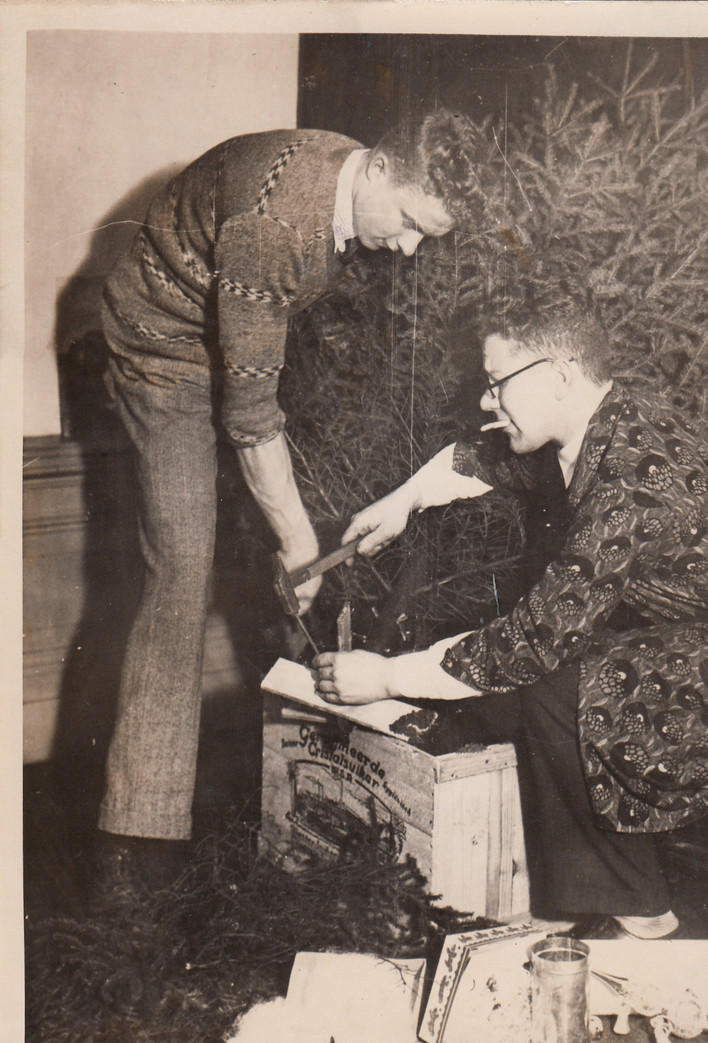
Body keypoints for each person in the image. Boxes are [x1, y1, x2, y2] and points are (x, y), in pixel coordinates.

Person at [313, 278, 708, 938]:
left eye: (498, 381)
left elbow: (531, 641)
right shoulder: (593, 429)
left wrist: (382, 678)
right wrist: (401, 502)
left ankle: (641, 916)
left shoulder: (634, 477)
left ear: (558, 374)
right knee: (530, 680)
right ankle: (572, 888)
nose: (484, 398)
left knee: (558, 680)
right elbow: (480, 457)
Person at [93, 110, 486, 894]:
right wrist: (302, 549)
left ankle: (299, 786)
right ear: (377, 168)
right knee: (180, 567)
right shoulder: (279, 225)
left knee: (265, 531)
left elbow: (257, 371)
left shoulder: (340, 183)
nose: (408, 249)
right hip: (162, 349)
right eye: (409, 223)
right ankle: (134, 851)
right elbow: (249, 419)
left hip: (227, 324)